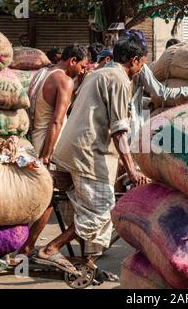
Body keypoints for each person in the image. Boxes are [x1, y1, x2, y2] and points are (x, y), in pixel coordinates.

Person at [31, 35, 149, 273]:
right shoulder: (118, 79)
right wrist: (132, 170)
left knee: (77, 207)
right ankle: (51, 249)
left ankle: (84, 262)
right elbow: (118, 131)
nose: (141, 69)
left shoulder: (98, 72)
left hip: (68, 149)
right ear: (134, 60)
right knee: (102, 210)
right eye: (142, 63)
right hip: (86, 154)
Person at [18, 44, 89, 257]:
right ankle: (31, 245)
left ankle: (29, 244)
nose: (84, 71)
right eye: (83, 66)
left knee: (49, 196)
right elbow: (57, 122)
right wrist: (47, 154)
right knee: (55, 195)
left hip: (38, 139)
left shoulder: (44, 74)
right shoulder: (64, 80)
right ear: (72, 61)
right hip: (52, 144)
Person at [121, 29, 188, 140]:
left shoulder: (109, 68)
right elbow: (161, 92)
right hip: (127, 124)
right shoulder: (141, 68)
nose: (141, 66)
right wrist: (187, 89)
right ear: (135, 60)